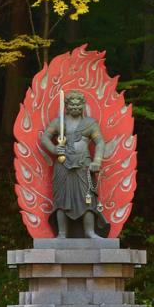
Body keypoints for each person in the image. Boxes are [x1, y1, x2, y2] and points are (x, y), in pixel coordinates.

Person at [40, 90, 103, 238]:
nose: (75, 107)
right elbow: (45, 138)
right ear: (66, 106)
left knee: (87, 197)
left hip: (83, 164)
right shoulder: (59, 123)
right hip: (63, 165)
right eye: (72, 105)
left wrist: (97, 160)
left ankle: (89, 232)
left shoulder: (90, 124)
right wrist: (54, 149)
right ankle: (62, 233)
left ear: (83, 105)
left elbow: (99, 142)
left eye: (78, 105)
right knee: (62, 198)